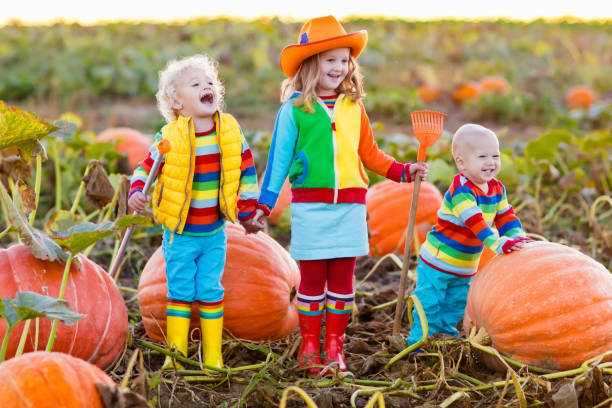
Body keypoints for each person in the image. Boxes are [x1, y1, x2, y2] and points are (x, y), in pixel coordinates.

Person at [256, 15, 427, 376]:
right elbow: (278, 161)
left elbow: (371, 154)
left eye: (344, 60)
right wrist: (264, 205)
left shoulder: (354, 108)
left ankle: (334, 347)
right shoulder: (294, 110)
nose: (338, 67)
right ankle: (309, 346)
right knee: (313, 280)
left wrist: (402, 171)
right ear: (310, 64)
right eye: (329, 59)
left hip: (350, 207)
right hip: (311, 207)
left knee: (342, 283)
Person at [128, 54, 265, 370]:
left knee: (210, 289)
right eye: (196, 84)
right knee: (180, 291)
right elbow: (144, 168)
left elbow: (246, 171)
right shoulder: (168, 138)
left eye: (211, 83)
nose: (207, 87)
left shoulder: (230, 131)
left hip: (214, 234)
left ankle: (212, 355)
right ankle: (176, 355)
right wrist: (137, 192)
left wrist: (247, 212)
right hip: (180, 235)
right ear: (177, 100)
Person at [406, 123, 530, 349]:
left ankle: (444, 338)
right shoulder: (460, 190)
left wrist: (516, 236)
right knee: (429, 303)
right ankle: (419, 343)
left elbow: (505, 215)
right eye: (483, 156)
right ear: (461, 163)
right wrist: (497, 243)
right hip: (438, 260)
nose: (491, 162)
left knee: (456, 303)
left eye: (495, 155)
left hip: (465, 266)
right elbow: (476, 222)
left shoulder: (496, 188)